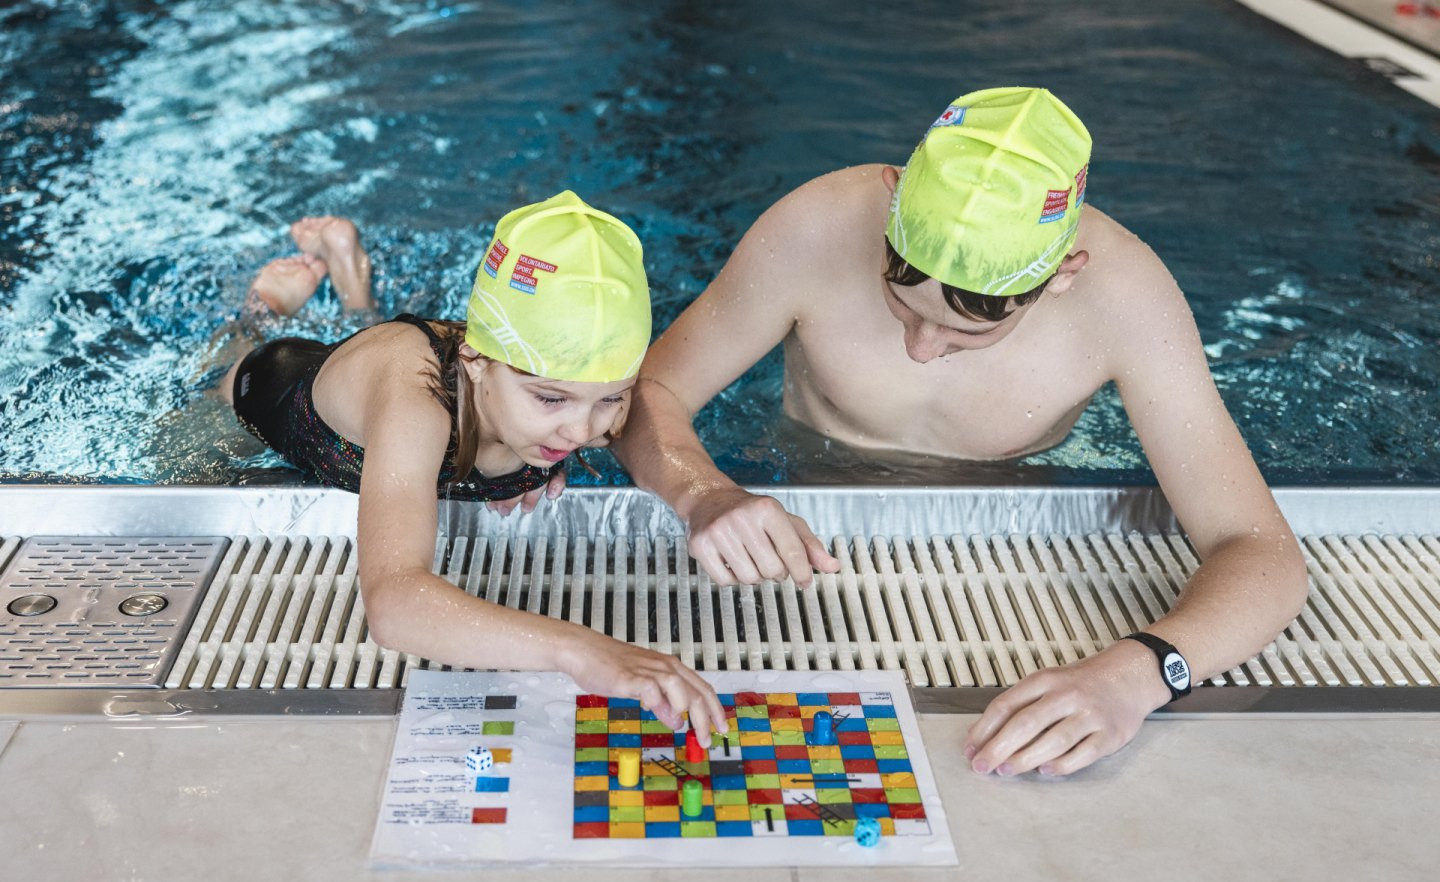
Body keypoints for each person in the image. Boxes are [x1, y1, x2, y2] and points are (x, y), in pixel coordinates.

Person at [611, 87, 1308, 775]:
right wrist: (701, 491)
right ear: (891, 201)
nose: (919, 348)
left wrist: (1141, 671)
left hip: (1003, 530)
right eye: (901, 302)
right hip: (800, 491)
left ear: (1062, 275)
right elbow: (644, 392)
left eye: (967, 330)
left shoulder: (1126, 300)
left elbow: (1262, 551)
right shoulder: (817, 227)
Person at [220, 192, 726, 743]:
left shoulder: (546, 398)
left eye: (612, 399)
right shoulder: (416, 405)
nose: (583, 433)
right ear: (476, 365)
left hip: (398, 385)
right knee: (225, 365)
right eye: (551, 400)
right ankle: (267, 301)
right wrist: (581, 649)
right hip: (279, 385)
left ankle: (351, 279)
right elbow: (393, 606)